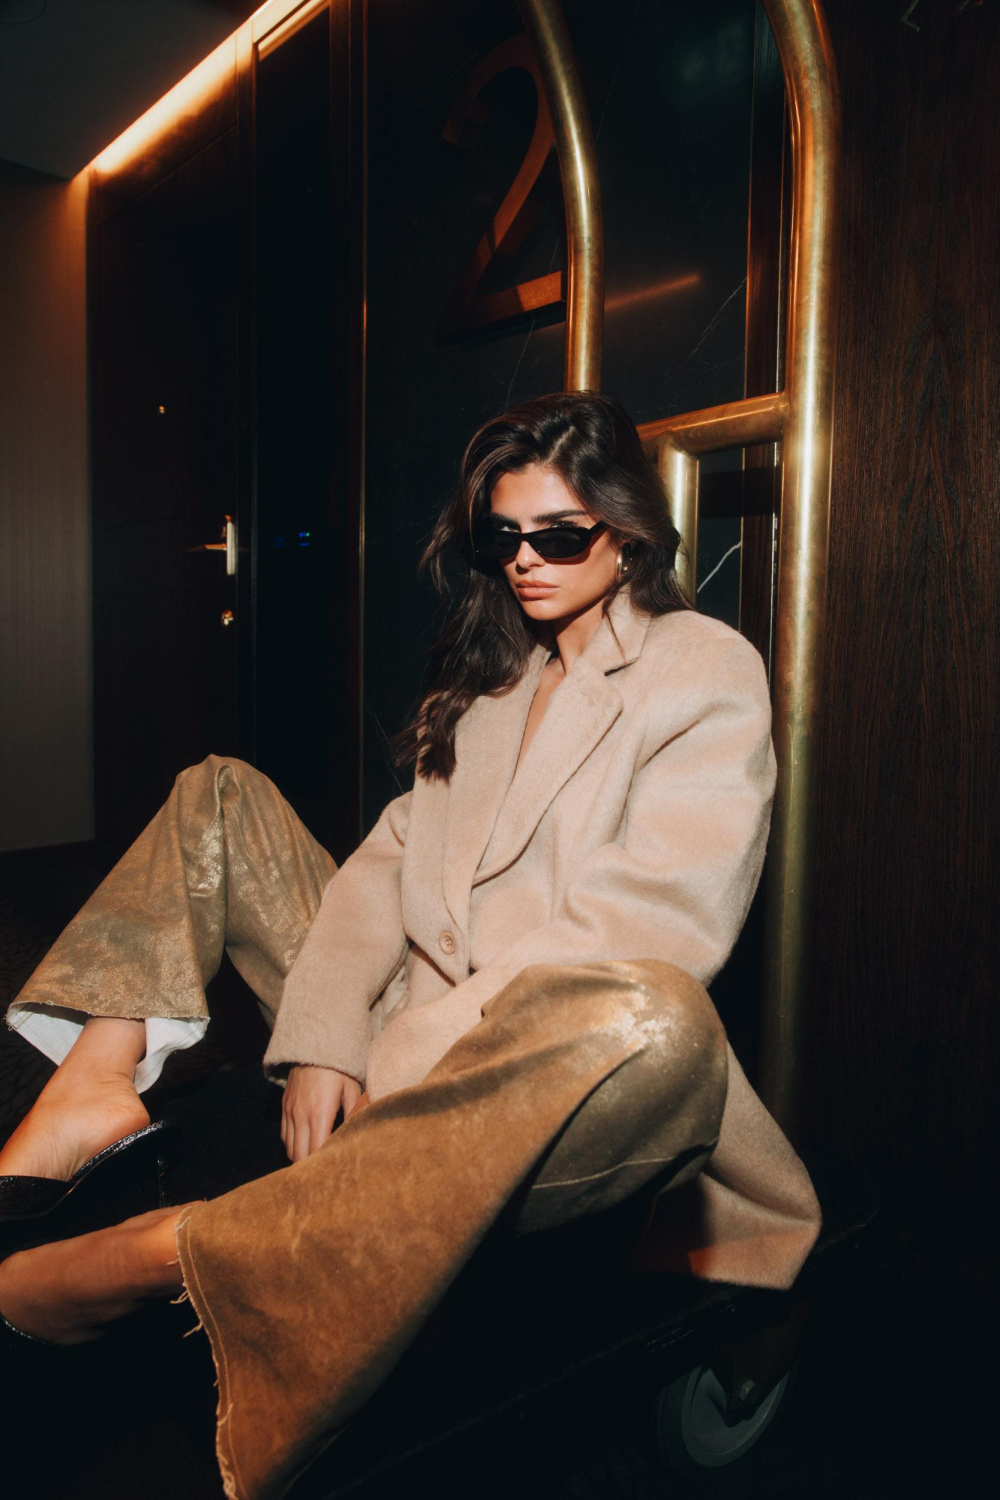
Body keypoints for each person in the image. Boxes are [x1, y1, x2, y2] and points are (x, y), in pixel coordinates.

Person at [0, 393, 820, 1500]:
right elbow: (385, 868)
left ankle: (172, 1255)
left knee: (653, 1014)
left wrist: (393, 1063)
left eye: (559, 535)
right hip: (404, 1012)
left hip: (547, 1059)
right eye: (504, 536)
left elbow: (655, 927)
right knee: (221, 793)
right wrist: (327, 1034)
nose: (524, 560)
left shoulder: (701, 667)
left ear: (628, 533)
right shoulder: (498, 683)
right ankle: (94, 1083)